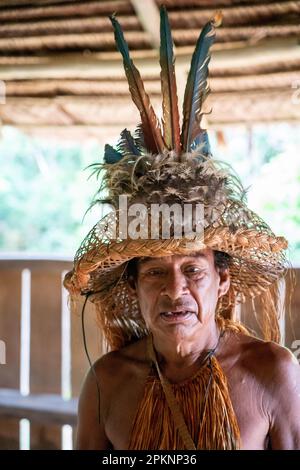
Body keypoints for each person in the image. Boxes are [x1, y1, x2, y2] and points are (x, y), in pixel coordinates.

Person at [64, 7, 300, 450]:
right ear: (133, 286)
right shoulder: (107, 382)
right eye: (154, 272)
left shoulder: (271, 373)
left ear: (223, 281)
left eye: (194, 270)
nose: (175, 290)